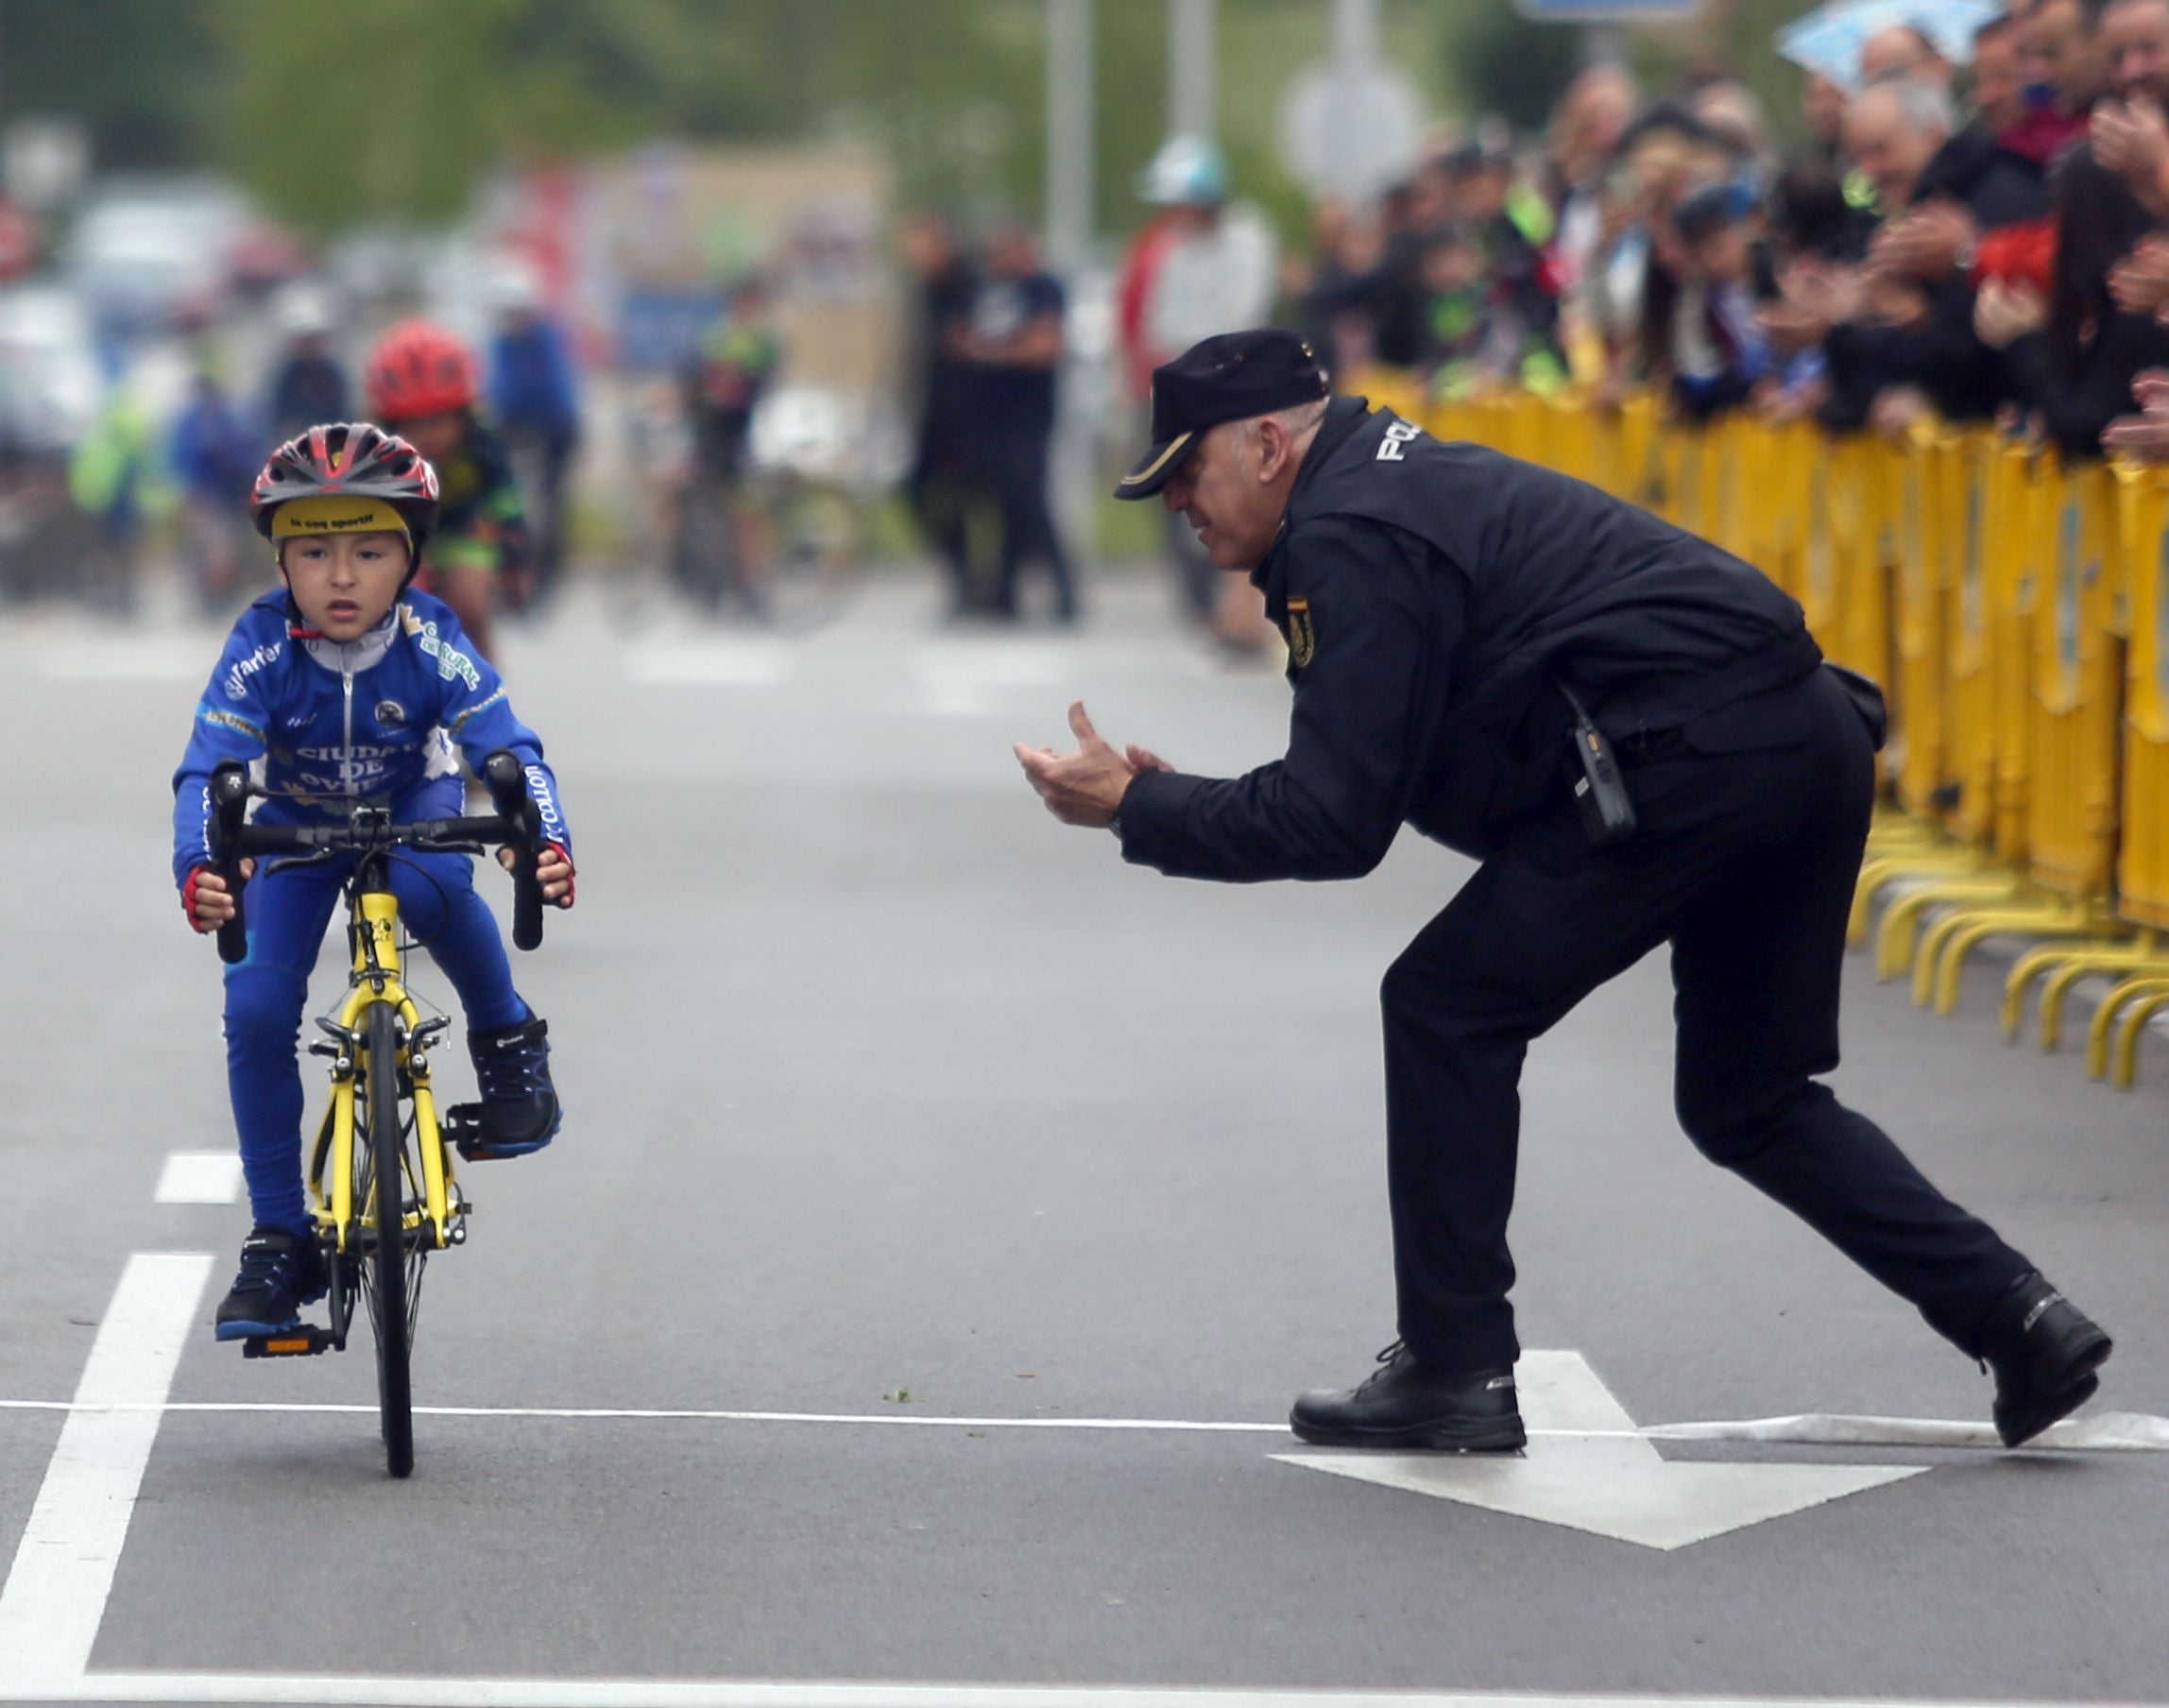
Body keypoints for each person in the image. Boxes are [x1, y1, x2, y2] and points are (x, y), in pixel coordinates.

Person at [1014, 328, 2113, 1453]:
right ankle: (2018, 1317)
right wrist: (1173, 803)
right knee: (1751, 1095)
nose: (1178, 507)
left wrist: (1137, 808)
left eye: (1186, 473)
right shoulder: (1385, 477)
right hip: (1802, 733)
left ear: (1262, 444)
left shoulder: (1347, 530)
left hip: (1690, 757)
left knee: (1445, 1004)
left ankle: (1455, 1365)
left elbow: (1335, 821)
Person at [172, 422, 574, 1341]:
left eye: (368, 549)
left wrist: (540, 837)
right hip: (297, 821)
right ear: (281, 558)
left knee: (438, 894)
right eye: (314, 550)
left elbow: (509, 749)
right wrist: (204, 863)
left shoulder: (431, 635)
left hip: (413, 798)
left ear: (411, 558)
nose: (341, 575)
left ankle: (508, 1042)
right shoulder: (260, 643)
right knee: (259, 1010)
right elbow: (208, 773)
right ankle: (280, 1234)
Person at [363, 318, 529, 664]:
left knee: (469, 603)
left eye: (439, 421)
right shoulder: (372, 451)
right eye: (414, 425)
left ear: (463, 415)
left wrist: (514, 555)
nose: (428, 437)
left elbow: (505, 501)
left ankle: (484, 691)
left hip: (462, 529)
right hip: (400, 536)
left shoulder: (481, 444)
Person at [956, 218, 1078, 624]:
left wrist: (994, 352)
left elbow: (1045, 346)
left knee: (1030, 499)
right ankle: (1003, 593)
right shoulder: (989, 288)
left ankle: (1064, 589)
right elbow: (961, 337)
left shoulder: (1043, 288)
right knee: (1000, 500)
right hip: (990, 412)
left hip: (1030, 412)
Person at [897, 212, 981, 615]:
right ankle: (959, 571)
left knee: (967, 498)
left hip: (969, 413)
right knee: (915, 490)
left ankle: (976, 582)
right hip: (933, 413)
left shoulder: (968, 285)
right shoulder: (923, 290)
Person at [487, 260, 582, 608]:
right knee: (501, 502)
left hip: (554, 430)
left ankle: (546, 581)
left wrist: (562, 430)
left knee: (550, 507)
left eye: (517, 313)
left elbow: (558, 391)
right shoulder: (501, 344)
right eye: (507, 314)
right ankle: (505, 577)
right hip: (515, 430)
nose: (512, 322)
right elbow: (498, 390)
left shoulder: (547, 338)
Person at [167, 368, 264, 616]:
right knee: (212, 547)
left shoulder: (228, 419)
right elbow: (182, 461)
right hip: (206, 496)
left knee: (227, 547)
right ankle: (209, 595)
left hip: (228, 495)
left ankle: (223, 592)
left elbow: (244, 456)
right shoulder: (194, 422)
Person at [263, 287, 350, 444]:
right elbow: (274, 420)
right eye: (304, 340)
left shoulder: (333, 374)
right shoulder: (285, 376)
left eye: (314, 339)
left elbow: (344, 417)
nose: (309, 346)